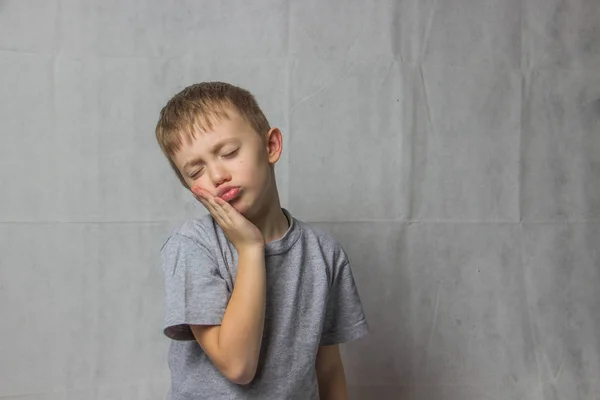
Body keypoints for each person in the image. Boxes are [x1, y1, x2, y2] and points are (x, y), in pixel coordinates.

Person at [155, 81, 368, 400]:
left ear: (271, 147)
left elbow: (328, 368)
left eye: (228, 153)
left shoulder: (324, 253)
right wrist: (250, 248)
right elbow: (238, 366)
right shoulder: (193, 246)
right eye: (196, 171)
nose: (216, 176)